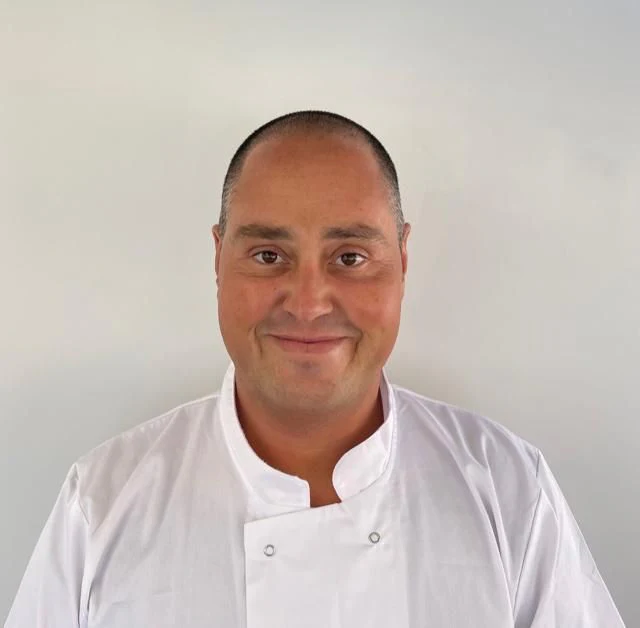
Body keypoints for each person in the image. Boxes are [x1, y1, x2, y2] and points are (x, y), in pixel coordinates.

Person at [5, 111, 625, 627]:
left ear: (402, 259)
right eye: (267, 255)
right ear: (219, 258)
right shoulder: (103, 502)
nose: (307, 303)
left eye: (350, 257)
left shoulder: (508, 489)